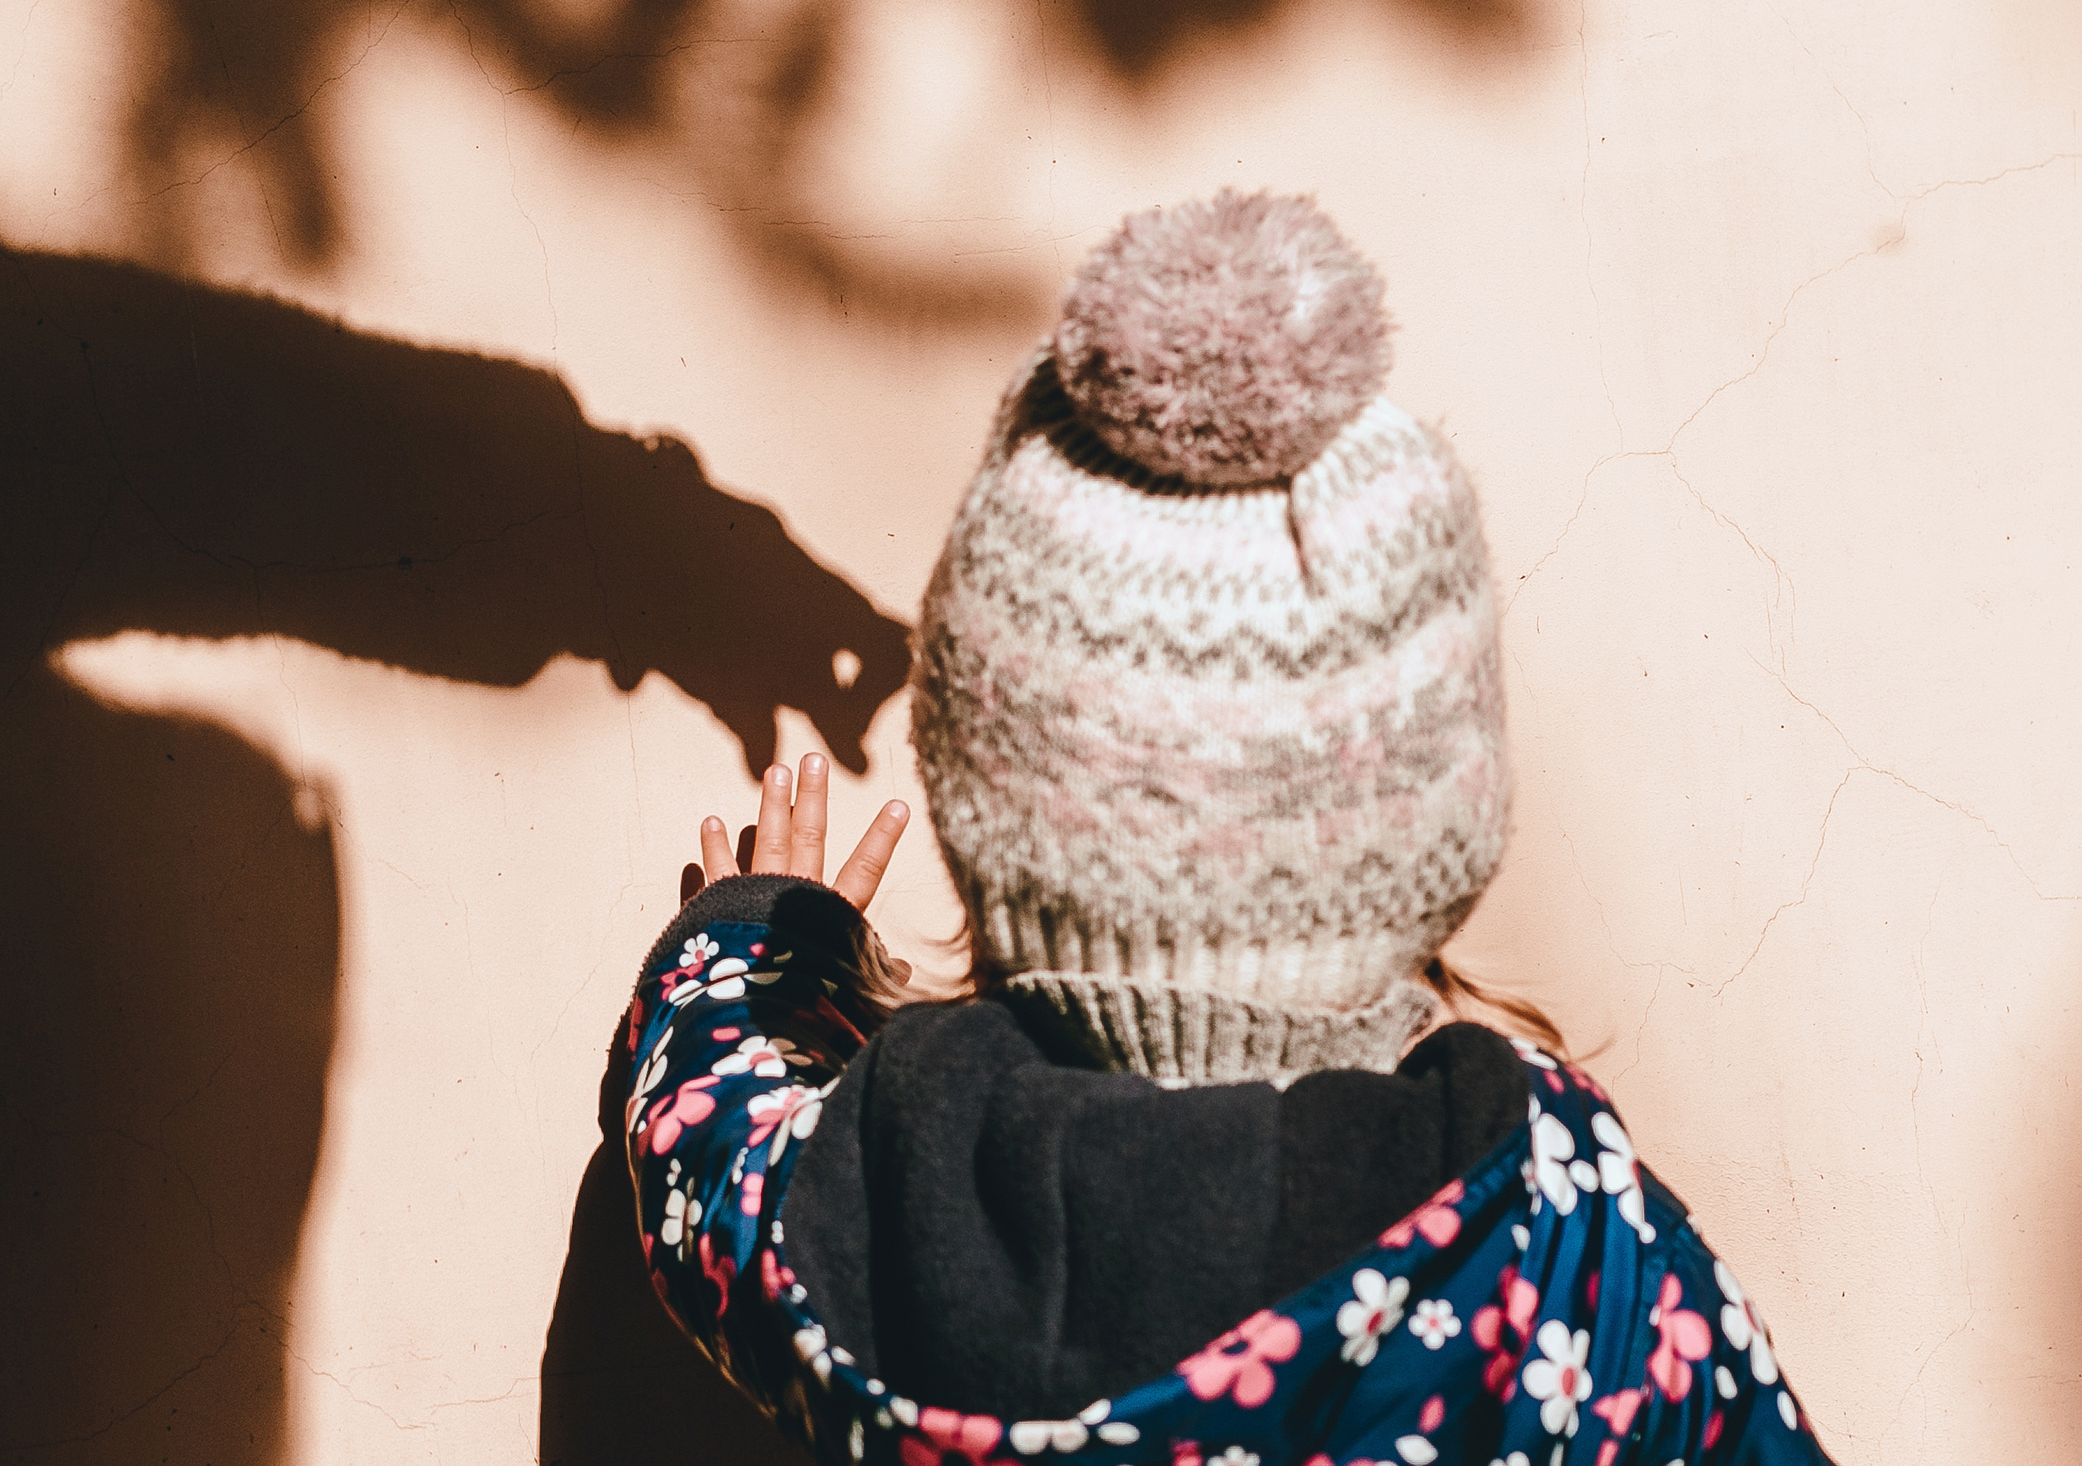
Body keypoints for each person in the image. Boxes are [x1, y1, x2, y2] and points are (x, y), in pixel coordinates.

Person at [616, 189, 1833, 1465]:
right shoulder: (1557, 1242)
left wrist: (753, 946)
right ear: (1421, 834)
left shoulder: (839, 1222)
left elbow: (692, 1127)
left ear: (996, 812)